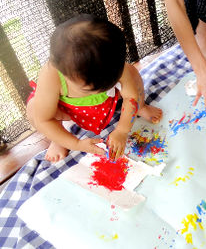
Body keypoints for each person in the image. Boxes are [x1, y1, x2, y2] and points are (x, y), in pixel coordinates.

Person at [26, 14, 162, 162]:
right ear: (64, 73)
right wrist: (76, 143)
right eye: (92, 89)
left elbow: (131, 96)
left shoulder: (109, 60)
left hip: (108, 101)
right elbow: (44, 120)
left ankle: (141, 107)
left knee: (131, 73)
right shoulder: (51, 76)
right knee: (35, 110)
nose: (102, 90)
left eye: (109, 83)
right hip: (68, 110)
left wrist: (123, 129)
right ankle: (58, 139)